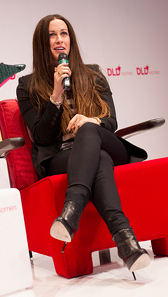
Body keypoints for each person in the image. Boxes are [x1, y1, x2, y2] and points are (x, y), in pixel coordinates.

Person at [16, 14, 151, 275]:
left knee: (91, 131)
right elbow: (42, 137)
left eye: (64, 33)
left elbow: (111, 122)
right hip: (62, 155)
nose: (59, 40)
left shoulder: (94, 74)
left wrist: (92, 122)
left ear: (71, 39)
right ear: (42, 44)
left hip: (106, 141)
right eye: (52, 35)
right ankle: (127, 243)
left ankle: (71, 212)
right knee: (98, 159)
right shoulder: (27, 86)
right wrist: (55, 95)